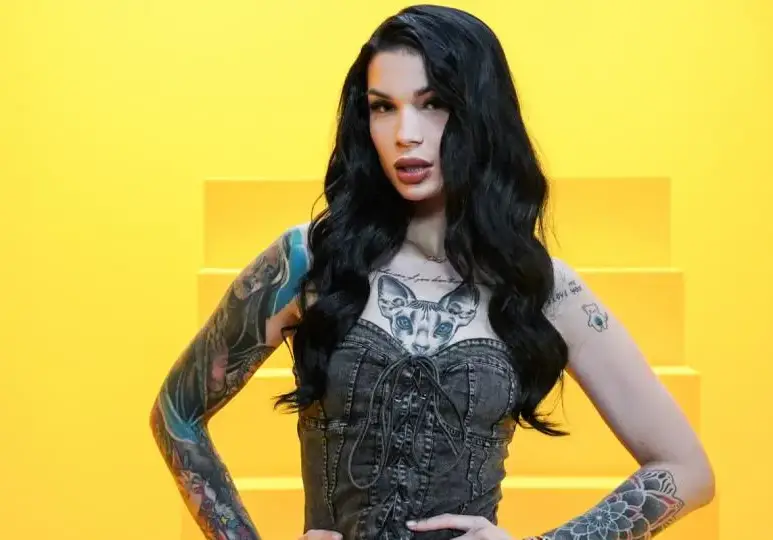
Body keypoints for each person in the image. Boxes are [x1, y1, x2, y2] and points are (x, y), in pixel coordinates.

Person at [149, 5, 715, 539]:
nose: (406, 134)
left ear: (480, 116)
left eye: (433, 103)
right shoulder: (309, 261)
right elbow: (176, 415)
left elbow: (686, 469)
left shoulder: (540, 288)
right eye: (383, 107)